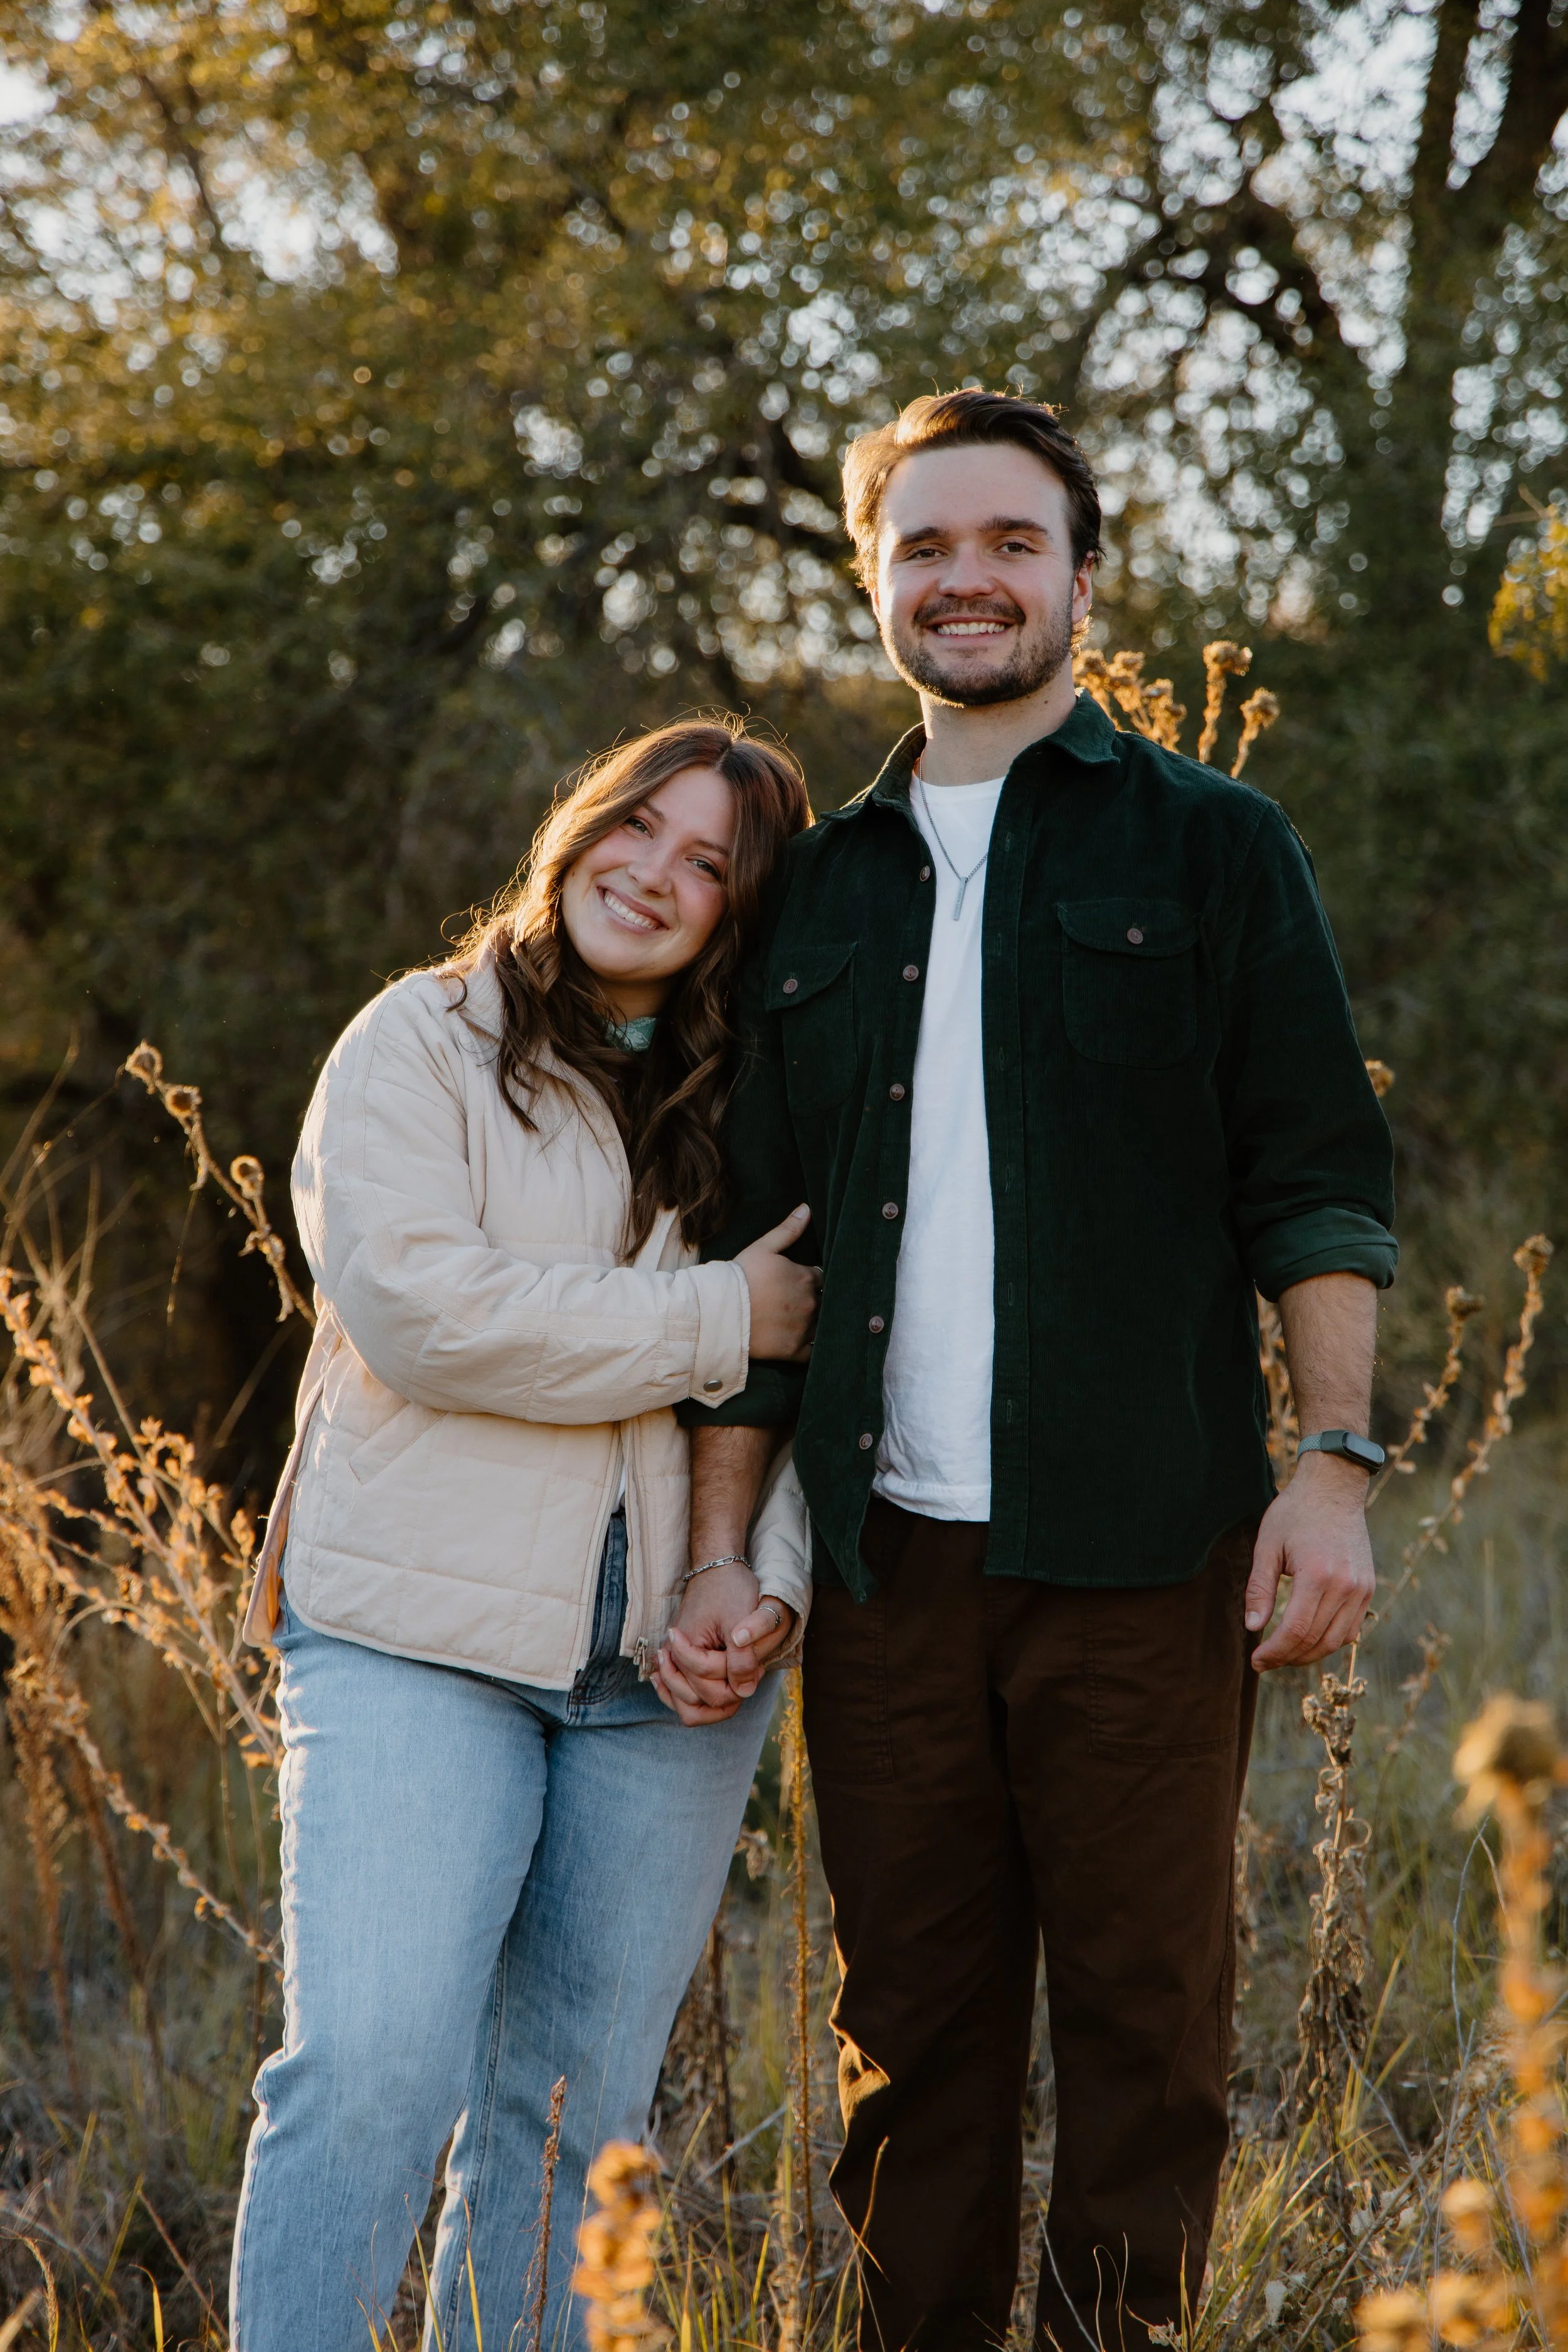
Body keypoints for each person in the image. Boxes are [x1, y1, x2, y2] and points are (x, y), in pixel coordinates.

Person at [655, 391, 1397, 2352]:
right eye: (922, 545)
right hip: (888, 1574)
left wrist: (1329, 1459)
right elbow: (759, 1252)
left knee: (1150, 2027)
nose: (962, 578)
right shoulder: (813, 886)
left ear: (1081, 572)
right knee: (907, 2042)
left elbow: (1316, 1175)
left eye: (1005, 541)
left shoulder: (1214, 844)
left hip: (1147, 1547)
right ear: (870, 579)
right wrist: (726, 1548)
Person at [230, 720, 819, 2352]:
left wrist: (757, 1585)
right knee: (368, 2070)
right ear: (576, 827)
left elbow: (825, 1373)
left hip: (666, 1682)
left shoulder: (761, 1086)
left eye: (710, 863)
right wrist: (718, 1310)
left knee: (569, 2117)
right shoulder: (420, 1043)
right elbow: (430, 1316)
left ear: (741, 913)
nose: (656, 871)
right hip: (416, 1642)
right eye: (638, 825)